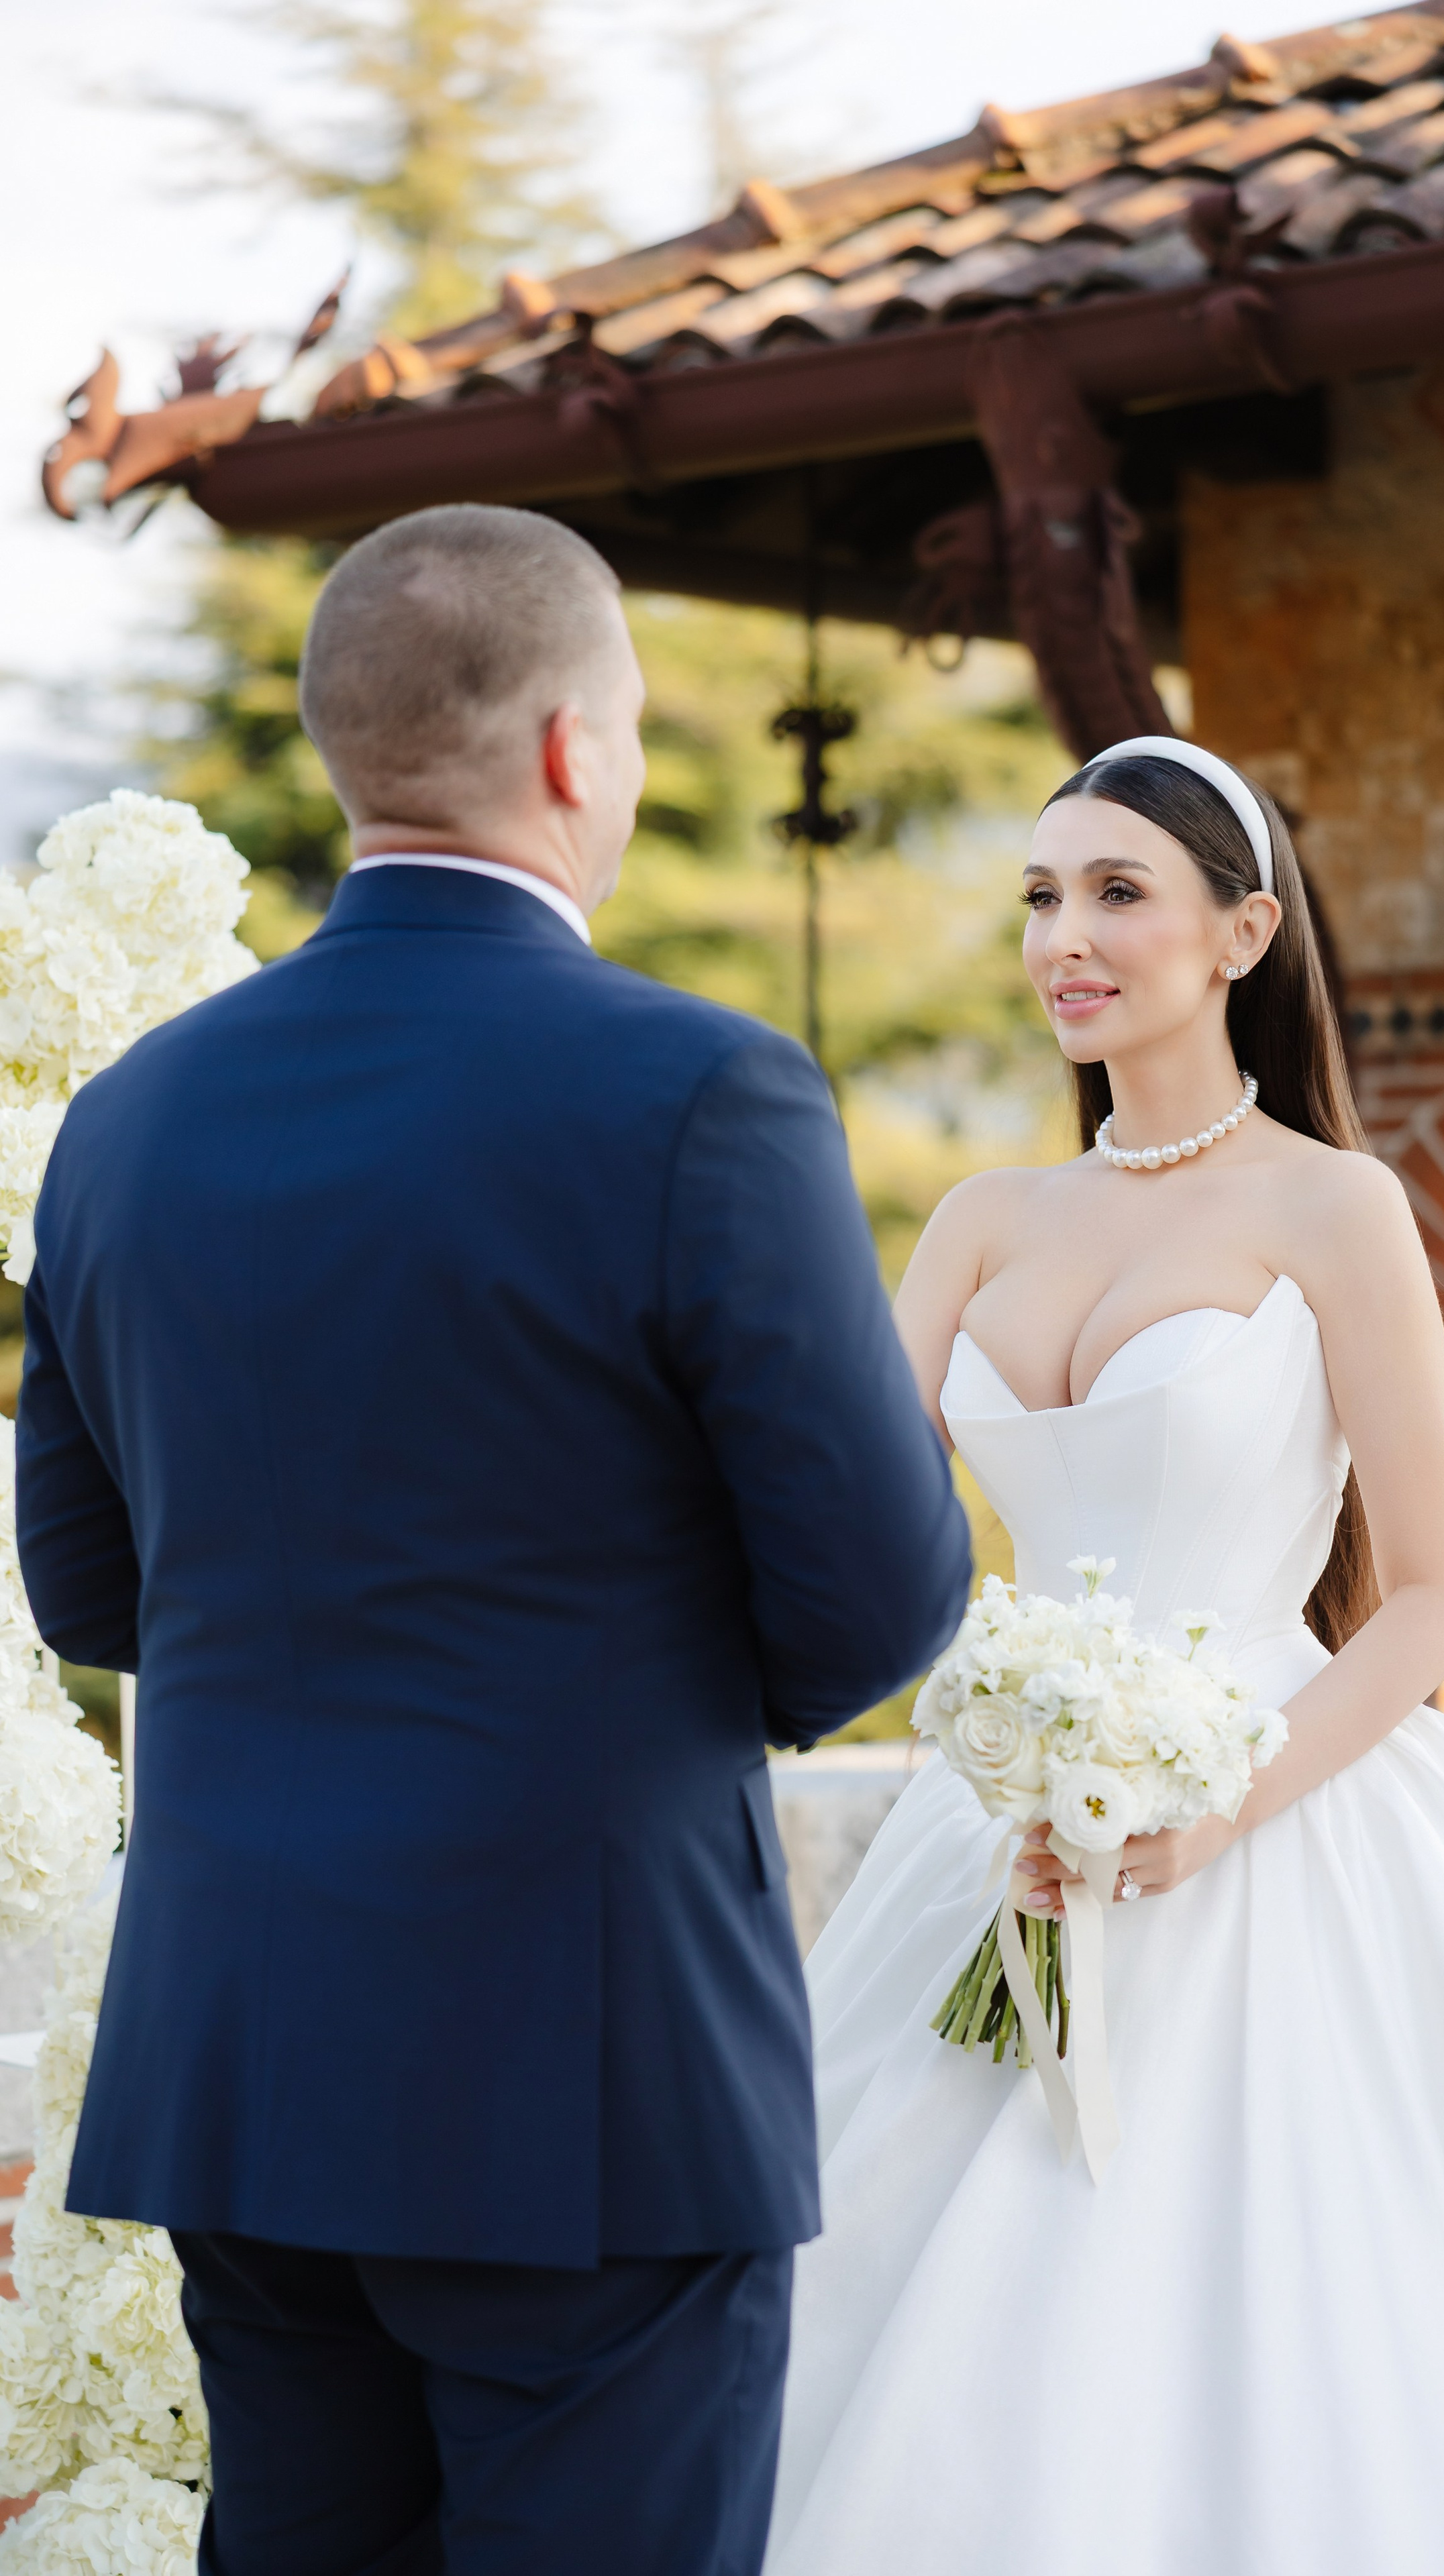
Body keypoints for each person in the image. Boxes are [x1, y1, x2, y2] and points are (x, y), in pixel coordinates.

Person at [15, 502, 970, 2576]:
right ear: (569, 750)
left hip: (245, 2056)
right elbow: (879, 1601)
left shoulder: (131, 1118)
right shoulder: (701, 1092)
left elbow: (90, 1590)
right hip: (589, 2068)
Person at [765, 739, 1444, 2576]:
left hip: (1283, 1813)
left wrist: (1217, 1808)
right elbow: (844, 1526)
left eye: (1118, 891)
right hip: (1004, 1844)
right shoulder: (980, 1222)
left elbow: (1436, 1595)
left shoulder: (1338, 1208)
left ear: (1243, 934)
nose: (1066, 936)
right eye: (1043, 894)